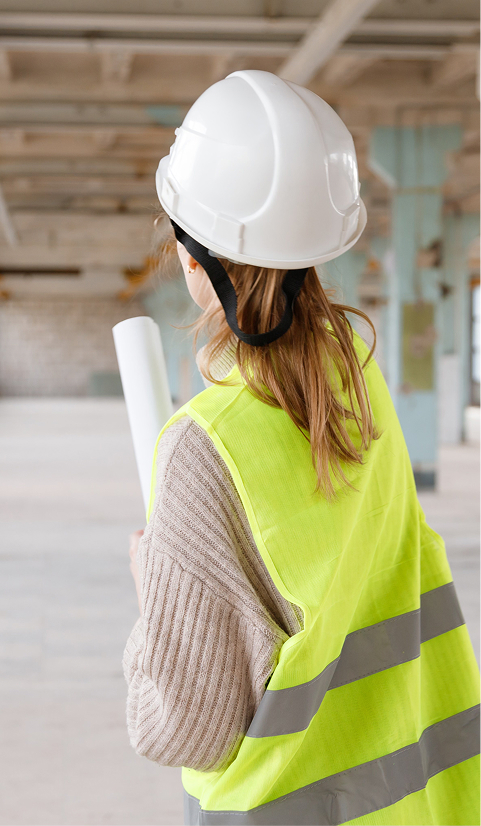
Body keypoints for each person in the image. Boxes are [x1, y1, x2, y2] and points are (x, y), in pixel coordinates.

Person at [122, 70, 480, 826]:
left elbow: (183, 729)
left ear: (193, 258)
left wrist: (155, 598)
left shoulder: (201, 451)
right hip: (420, 804)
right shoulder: (359, 381)